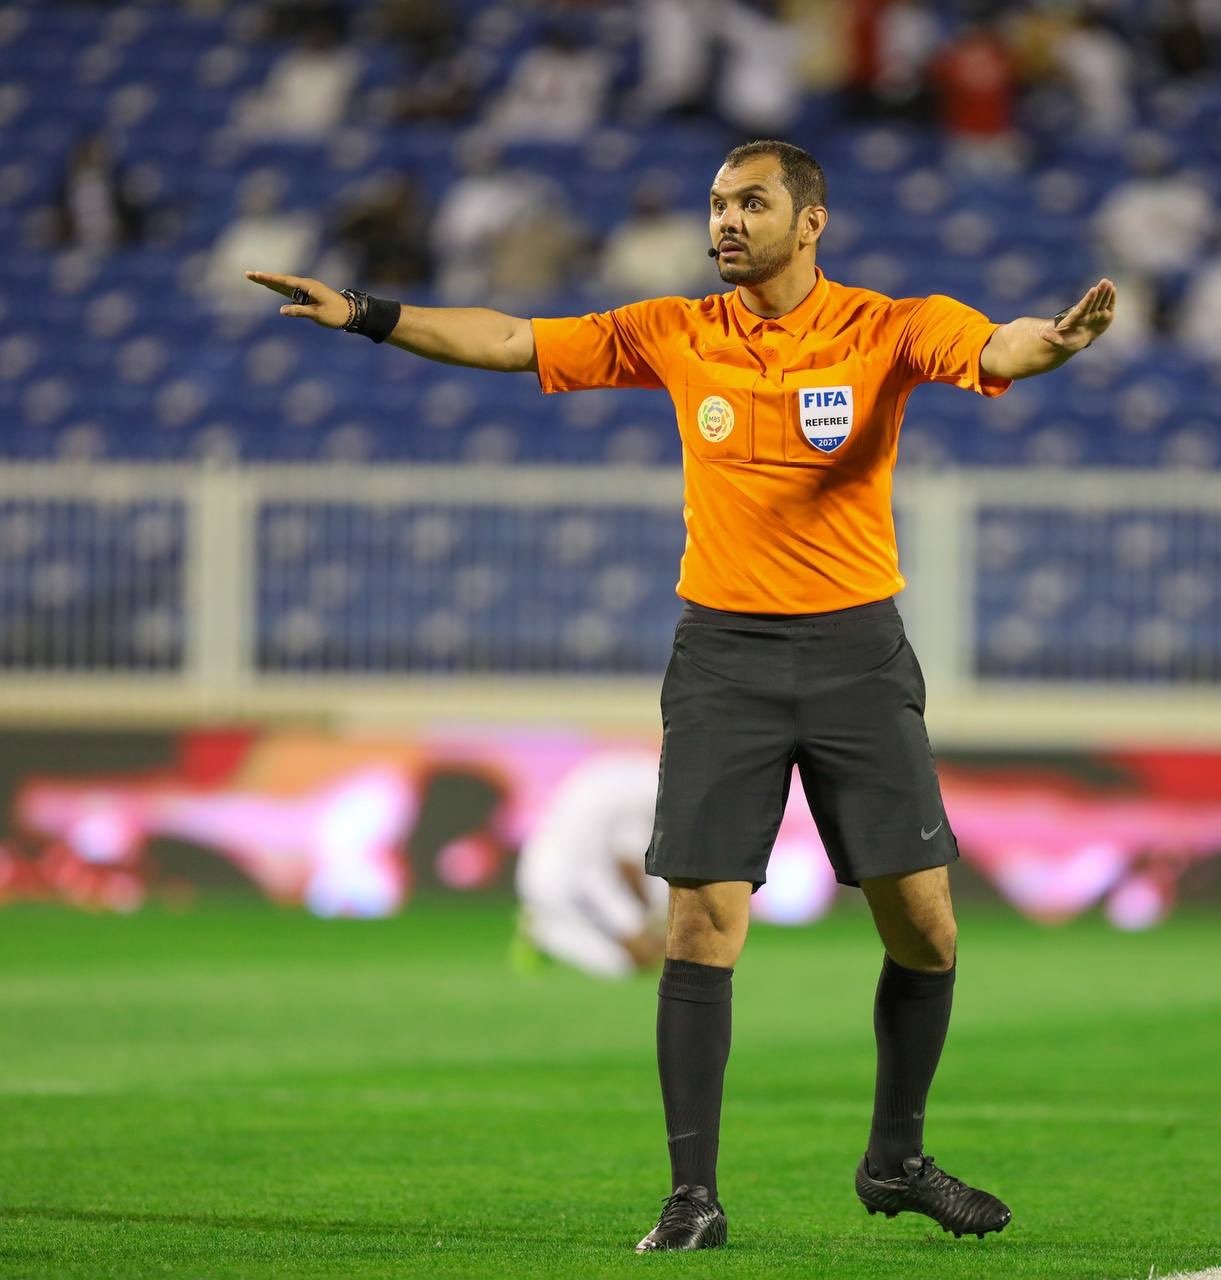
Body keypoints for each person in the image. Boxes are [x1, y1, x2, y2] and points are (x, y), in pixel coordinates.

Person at [246, 138, 1116, 1252]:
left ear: (810, 222)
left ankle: (895, 1161)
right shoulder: (674, 330)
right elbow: (513, 339)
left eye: (750, 203)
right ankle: (692, 1197)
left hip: (856, 656)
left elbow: (995, 345)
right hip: (725, 659)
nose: (726, 221)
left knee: (926, 930)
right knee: (701, 923)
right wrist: (367, 313)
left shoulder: (887, 325)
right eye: (716, 204)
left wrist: (1053, 342)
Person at [514, 750, 669, 978]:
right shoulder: (647, 796)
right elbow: (599, 878)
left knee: (642, 951)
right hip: (559, 888)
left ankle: (547, 930)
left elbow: (629, 861)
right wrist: (633, 927)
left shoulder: (634, 787)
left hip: (551, 871)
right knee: (624, 965)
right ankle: (544, 934)